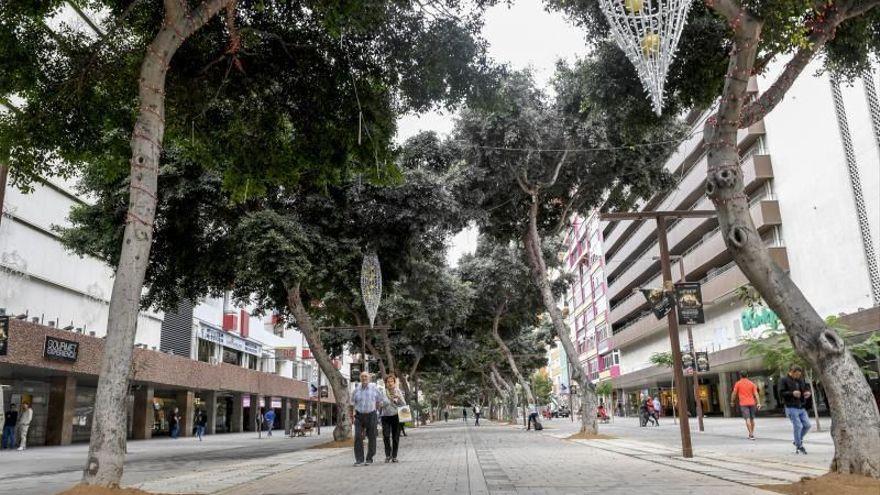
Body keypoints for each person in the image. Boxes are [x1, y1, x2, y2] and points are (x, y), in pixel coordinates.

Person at [351, 371, 384, 466]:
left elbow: (380, 400)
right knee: (357, 436)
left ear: (369, 378)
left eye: (366, 376)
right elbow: (353, 402)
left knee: (372, 437)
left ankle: (369, 458)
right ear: (360, 378)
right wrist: (353, 415)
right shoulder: (356, 390)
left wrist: (377, 412)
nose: (364, 378)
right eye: (362, 377)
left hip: (371, 415)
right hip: (359, 416)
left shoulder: (374, 388)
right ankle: (359, 459)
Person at [779, 364, 812, 454]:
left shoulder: (800, 380)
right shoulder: (784, 380)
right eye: (796, 374)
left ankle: (797, 440)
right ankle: (799, 446)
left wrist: (807, 392)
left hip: (801, 406)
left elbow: (806, 387)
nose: (798, 376)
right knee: (798, 426)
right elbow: (781, 393)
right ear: (791, 372)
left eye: (799, 375)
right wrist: (792, 393)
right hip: (791, 407)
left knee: (807, 425)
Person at [380, 373, 406, 463]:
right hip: (385, 416)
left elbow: (403, 405)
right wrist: (383, 403)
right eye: (388, 382)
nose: (390, 383)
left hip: (396, 416)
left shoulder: (398, 391)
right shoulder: (382, 392)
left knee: (395, 437)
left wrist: (398, 398)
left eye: (392, 381)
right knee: (386, 436)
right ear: (385, 383)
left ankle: (394, 456)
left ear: (394, 382)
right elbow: (380, 404)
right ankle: (388, 455)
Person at [730, 371, 761, 440]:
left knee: (747, 419)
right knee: (752, 419)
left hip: (743, 404)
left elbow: (734, 393)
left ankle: (751, 434)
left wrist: (732, 401)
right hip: (752, 403)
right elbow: (756, 394)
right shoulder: (752, 383)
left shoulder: (738, 383)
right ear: (747, 375)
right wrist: (758, 403)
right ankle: (751, 433)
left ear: (740, 376)